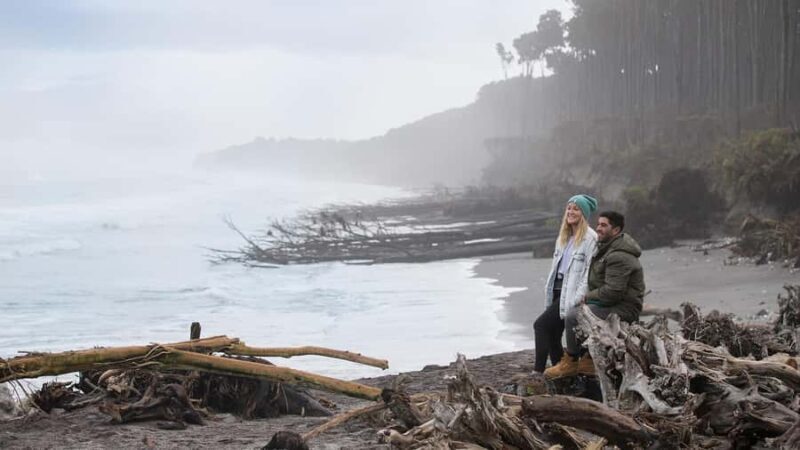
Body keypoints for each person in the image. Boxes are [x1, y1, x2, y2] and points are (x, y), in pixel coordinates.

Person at [544, 211, 645, 379]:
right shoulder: (606, 248)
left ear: (616, 230)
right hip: (612, 303)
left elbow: (612, 292)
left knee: (573, 315)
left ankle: (572, 361)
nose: (598, 228)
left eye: (604, 225)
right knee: (579, 311)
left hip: (624, 308)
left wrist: (588, 297)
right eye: (598, 224)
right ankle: (587, 358)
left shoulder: (618, 256)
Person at [532, 194, 598, 375]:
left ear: (583, 213)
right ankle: (560, 372)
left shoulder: (590, 239)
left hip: (571, 293)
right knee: (553, 333)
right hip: (557, 289)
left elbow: (589, 272)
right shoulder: (564, 237)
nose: (571, 212)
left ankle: (537, 371)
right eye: (569, 208)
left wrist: (578, 297)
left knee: (541, 325)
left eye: (576, 209)